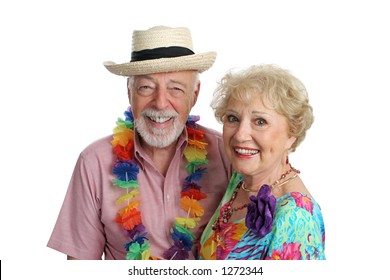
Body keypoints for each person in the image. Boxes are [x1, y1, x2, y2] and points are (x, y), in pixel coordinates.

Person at [47, 26, 231, 260]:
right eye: (146, 87)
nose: (161, 103)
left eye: (175, 88)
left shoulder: (225, 154)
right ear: (129, 92)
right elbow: (81, 269)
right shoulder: (93, 163)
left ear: (194, 95)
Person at [198, 64, 325, 260]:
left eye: (260, 122)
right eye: (233, 118)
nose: (240, 135)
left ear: (292, 133)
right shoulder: (240, 179)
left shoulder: (296, 219)